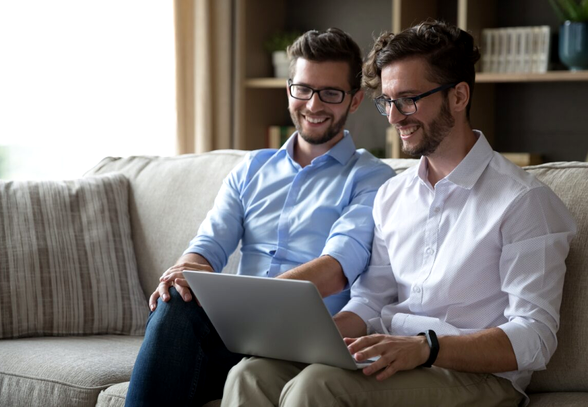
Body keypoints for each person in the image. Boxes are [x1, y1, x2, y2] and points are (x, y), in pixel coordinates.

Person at [220, 20, 577, 407]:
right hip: (395, 356)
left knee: (318, 386)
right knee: (250, 373)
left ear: (458, 97)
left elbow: (536, 337)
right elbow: (372, 301)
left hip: (478, 377)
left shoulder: (523, 201)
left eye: (408, 100)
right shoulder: (393, 193)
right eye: (387, 102)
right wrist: (314, 338)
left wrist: (426, 348)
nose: (393, 117)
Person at [124, 27, 395, 407]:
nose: (314, 105)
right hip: (234, 335)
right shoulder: (252, 168)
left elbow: (336, 268)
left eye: (330, 93)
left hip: (301, 342)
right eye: (303, 89)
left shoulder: (372, 178)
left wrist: (251, 306)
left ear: (354, 100)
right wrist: (185, 270)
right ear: (289, 91)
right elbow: (208, 246)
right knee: (176, 298)